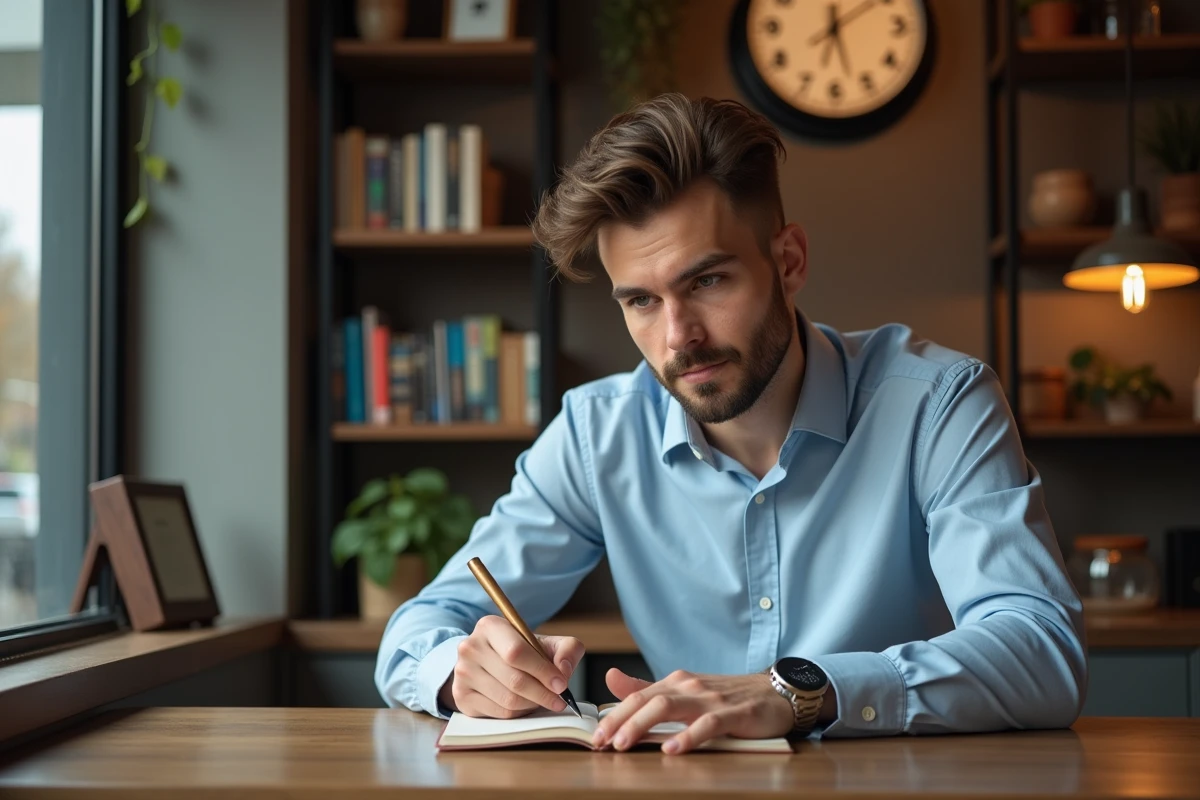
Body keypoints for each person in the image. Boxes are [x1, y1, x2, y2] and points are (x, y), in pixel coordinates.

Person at [375, 93, 1087, 754]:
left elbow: (1042, 651)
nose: (678, 336)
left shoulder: (940, 405)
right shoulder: (597, 435)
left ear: (789, 261)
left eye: (707, 281)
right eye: (641, 301)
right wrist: (462, 675)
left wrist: (799, 693)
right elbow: (416, 629)